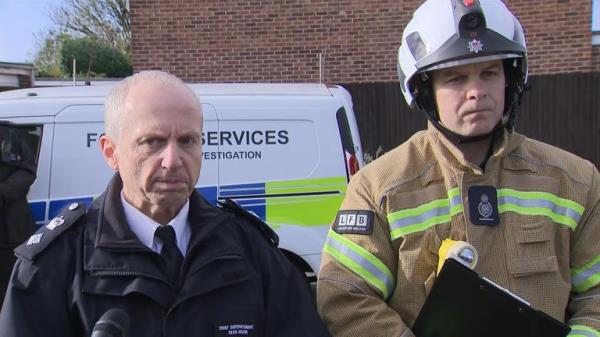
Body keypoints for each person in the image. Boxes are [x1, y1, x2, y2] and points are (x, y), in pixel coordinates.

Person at [316, 0, 600, 336]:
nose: (476, 92)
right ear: (424, 89)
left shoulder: (576, 181)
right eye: (455, 77)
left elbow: (594, 294)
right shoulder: (379, 189)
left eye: (489, 73)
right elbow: (345, 295)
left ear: (511, 79)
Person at [0, 71, 330, 337]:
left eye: (187, 140)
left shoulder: (251, 251)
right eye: (152, 142)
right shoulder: (52, 266)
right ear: (110, 152)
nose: (172, 160)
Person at [0, 125, 36, 307]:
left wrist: (3, 192)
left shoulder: (9, 134)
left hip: (10, 232)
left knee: (10, 291)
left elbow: (28, 170)